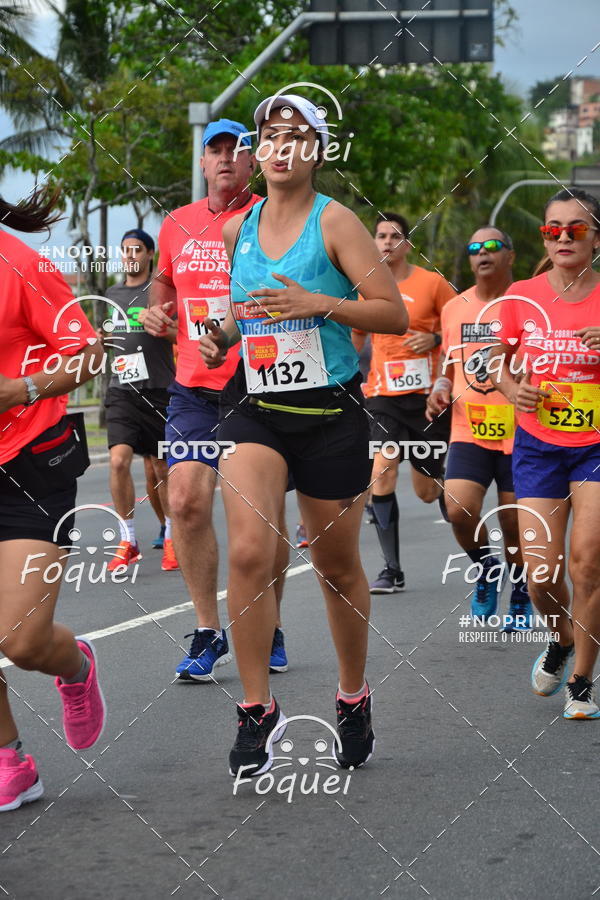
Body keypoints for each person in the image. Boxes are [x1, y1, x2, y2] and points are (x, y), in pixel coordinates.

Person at [199, 93, 408, 776]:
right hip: (255, 403)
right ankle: (257, 709)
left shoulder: (337, 221)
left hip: (328, 409)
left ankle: (352, 695)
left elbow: (392, 314)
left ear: (315, 151)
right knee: (251, 552)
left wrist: (321, 303)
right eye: (270, 136)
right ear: (257, 152)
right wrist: (219, 337)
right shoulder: (239, 229)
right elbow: (242, 310)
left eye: (296, 136)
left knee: (336, 565)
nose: (280, 146)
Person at [144, 119, 290, 680]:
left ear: (252, 164)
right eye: (216, 150)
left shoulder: (270, 219)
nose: (226, 159)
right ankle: (209, 631)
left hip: (260, 384)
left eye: (237, 150)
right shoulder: (177, 224)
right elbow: (161, 293)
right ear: (203, 163)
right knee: (183, 501)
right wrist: (155, 314)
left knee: (259, 517)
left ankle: (268, 622)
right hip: (193, 389)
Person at [0, 187, 105, 811]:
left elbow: (89, 352)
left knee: (20, 639)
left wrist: (23, 387)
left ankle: (75, 665)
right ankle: (13, 761)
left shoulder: (20, 263)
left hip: (32, 460)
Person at [488, 188, 600, 718]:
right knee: (541, 576)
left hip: (595, 447)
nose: (561, 237)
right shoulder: (521, 297)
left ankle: (581, 684)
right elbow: (488, 365)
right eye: (551, 229)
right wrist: (513, 391)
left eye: (575, 228)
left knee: (589, 564)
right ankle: (561, 639)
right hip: (537, 447)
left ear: (594, 237)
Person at [427, 227, 532, 628]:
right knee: (458, 508)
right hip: (468, 428)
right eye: (474, 248)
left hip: (521, 429)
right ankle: (487, 568)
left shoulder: (527, 303)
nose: (482, 253)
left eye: (492, 246)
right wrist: (438, 387)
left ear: (510, 255)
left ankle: (521, 592)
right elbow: (447, 361)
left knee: (513, 522)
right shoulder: (455, 307)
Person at [352, 213, 455, 593]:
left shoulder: (432, 283)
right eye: (380, 236)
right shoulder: (366, 287)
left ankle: (446, 490)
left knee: (427, 491)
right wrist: (346, 382)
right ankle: (391, 570)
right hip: (383, 397)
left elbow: (464, 325)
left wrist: (435, 339)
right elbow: (356, 336)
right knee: (383, 470)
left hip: (428, 400)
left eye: (394, 236)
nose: (386, 242)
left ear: (407, 244)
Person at [103, 229, 178, 573]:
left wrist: (164, 328)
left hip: (159, 390)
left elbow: (183, 334)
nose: (130, 255)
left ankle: (172, 537)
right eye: (125, 250)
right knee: (118, 461)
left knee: (160, 468)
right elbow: (107, 341)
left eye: (137, 250)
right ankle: (128, 539)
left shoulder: (161, 292)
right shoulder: (112, 293)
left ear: (150, 254)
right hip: (121, 390)